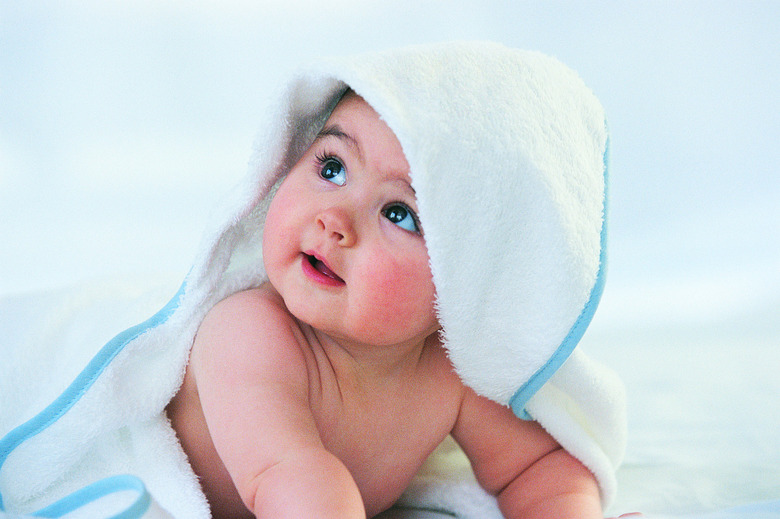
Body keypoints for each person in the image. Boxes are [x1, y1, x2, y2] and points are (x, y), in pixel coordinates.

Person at [166, 90, 605, 519]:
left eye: (399, 214)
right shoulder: (247, 333)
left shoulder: (450, 370)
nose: (334, 220)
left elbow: (536, 468)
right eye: (333, 168)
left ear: (472, 282)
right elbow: (291, 479)